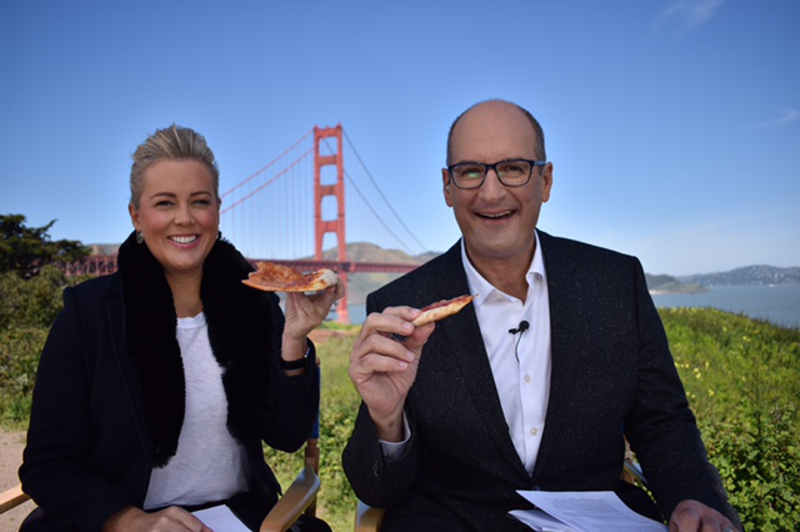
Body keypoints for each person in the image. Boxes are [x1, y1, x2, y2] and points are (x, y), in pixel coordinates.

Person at [343, 100, 741, 532]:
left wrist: (693, 500)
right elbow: (378, 494)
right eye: (471, 171)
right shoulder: (400, 304)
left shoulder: (615, 282)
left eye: (513, 168)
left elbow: (662, 420)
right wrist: (386, 419)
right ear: (447, 187)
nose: (491, 193)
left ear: (546, 180)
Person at [19, 125, 341, 532]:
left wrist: (294, 339)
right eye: (165, 203)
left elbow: (288, 436)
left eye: (199, 201)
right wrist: (132, 522)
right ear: (136, 215)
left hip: (239, 516)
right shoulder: (86, 316)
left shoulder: (257, 302)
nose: (185, 218)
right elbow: (48, 465)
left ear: (218, 210)